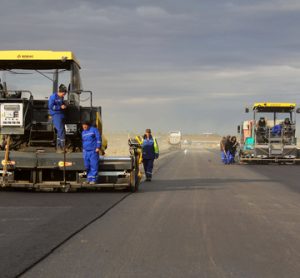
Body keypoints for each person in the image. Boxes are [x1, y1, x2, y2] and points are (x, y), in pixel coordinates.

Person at [48, 84, 67, 152]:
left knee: (61, 131)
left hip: (61, 115)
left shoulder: (61, 98)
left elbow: (60, 104)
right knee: (61, 130)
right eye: (63, 94)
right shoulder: (53, 97)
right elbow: (51, 107)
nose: (64, 95)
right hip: (56, 115)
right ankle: (62, 147)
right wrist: (60, 107)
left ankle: (59, 147)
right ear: (60, 92)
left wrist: (64, 105)